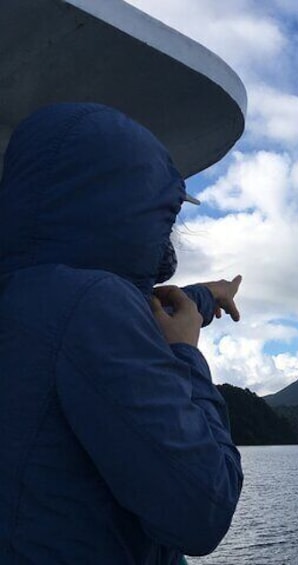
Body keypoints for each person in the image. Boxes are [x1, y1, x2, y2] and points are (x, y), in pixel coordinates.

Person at [0, 103, 244, 564]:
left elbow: (145, 310)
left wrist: (207, 297)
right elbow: (205, 511)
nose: (169, 237)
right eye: (165, 220)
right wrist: (185, 355)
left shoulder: (30, 293)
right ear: (130, 211)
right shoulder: (92, 305)